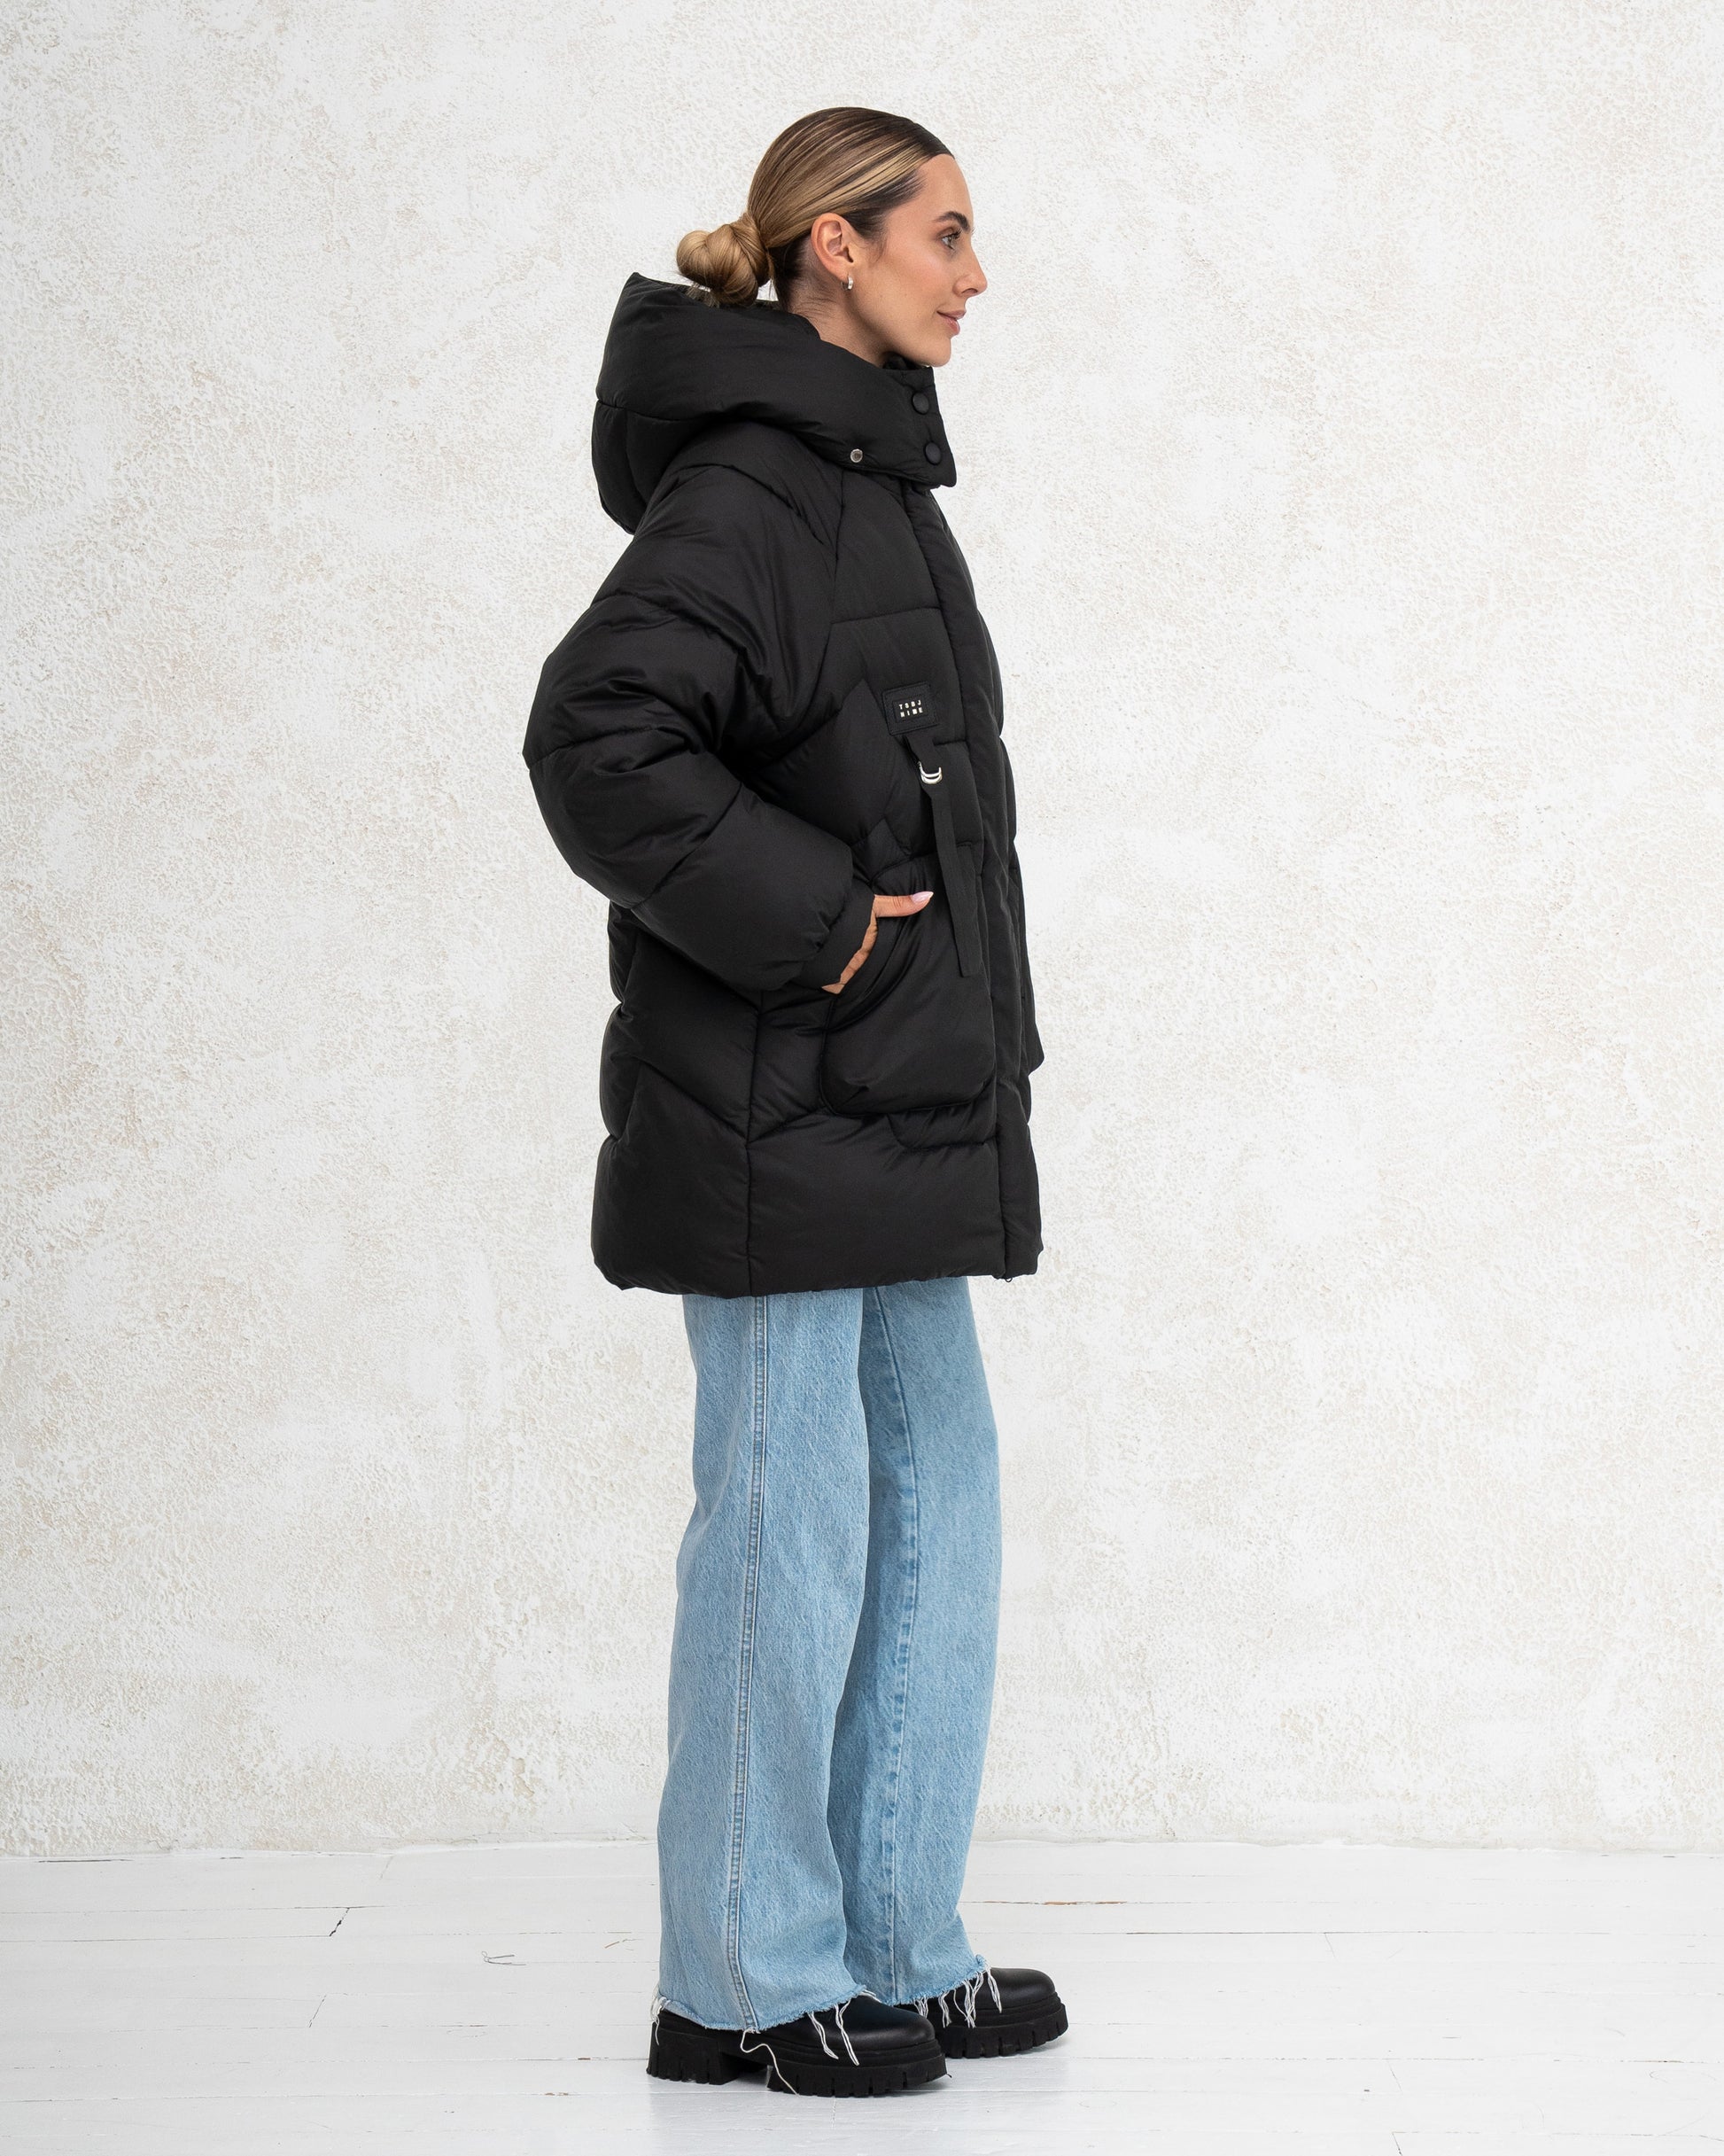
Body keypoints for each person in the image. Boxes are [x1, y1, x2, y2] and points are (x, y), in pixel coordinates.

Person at [522, 105, 1062, 2098]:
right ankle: (743, 1978)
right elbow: (596, 736)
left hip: (891, 1095)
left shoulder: (864, 477)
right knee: (787, 1523)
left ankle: (895, 1938)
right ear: (835, 246)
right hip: (775, 1106)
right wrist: (827, 931)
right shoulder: (751, 486)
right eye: (945, 233)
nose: (975, 274)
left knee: (935, 1498)